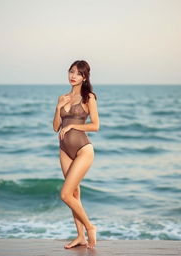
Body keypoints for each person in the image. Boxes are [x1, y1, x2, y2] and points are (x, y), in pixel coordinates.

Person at [53, 60, 99, 249]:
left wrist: (73, 125)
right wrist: (58, 108)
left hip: (83, 150)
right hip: (64, 150)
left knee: (65, 194)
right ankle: (80, 236)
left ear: (84, 77)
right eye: (71, 72)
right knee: (73, 193)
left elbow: (95, 125)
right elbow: (56, 127)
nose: (73, 76)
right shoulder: (62, 97)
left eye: (78, 73)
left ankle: (90, 227)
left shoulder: (89, 98)